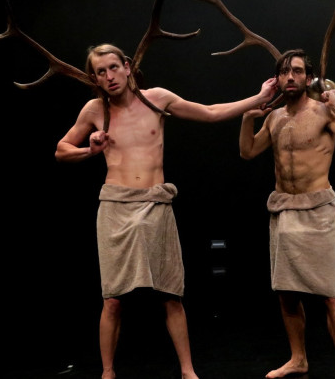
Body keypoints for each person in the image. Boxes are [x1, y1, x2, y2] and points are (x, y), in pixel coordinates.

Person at [55, 43, 277, 379]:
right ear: (95, 78)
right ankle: (107, 373)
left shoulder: (156, 98)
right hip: (116, 208)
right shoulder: (94, 110)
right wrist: (90, 149)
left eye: (113, 67)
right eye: (100, 72)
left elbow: (210, 112)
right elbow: (61, 150)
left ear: (127, 66)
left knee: (170, 293)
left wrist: (258, 97)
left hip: (155, 205)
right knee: (113, 298)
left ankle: (188, 371)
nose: (109, 76)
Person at [239, 49, 335, 379]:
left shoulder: (323, 113)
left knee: (331, 294)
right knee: (286, 293)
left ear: (308, 77)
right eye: (284, 72)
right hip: (284, 211)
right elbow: (248, 152)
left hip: (318, 212)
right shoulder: (274, 118)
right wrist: (247, 118)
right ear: (277, 79)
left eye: (297, 71)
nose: (290, 77)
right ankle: (298, 359)